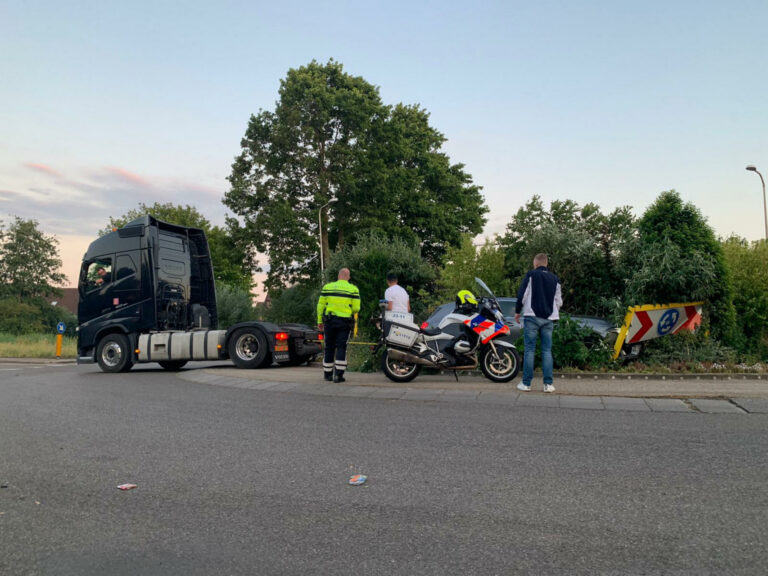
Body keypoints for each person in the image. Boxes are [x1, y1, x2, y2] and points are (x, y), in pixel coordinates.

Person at [514, 253, 562, 393]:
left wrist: (518, 311)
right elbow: (558, 301)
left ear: (535, 264)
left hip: (532, 316)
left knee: (530, 350)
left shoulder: (531, 275)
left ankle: (526, 384)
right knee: (547, 351)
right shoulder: (555, 279)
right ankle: (548, 385)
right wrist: (553, 312)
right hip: (549, 319)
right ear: (546, 264)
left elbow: (523, 294)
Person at [317, 268, 361, 383]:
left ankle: (327, 374)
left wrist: (319, 321)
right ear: (348, 276)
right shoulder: (353, 289)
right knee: (341, 347)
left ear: (338, 276)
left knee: (329, 346)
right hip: (344, 322)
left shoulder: (327, 287)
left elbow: (320, 305)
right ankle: (338, 375)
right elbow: (356, 308)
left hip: (329, 320)